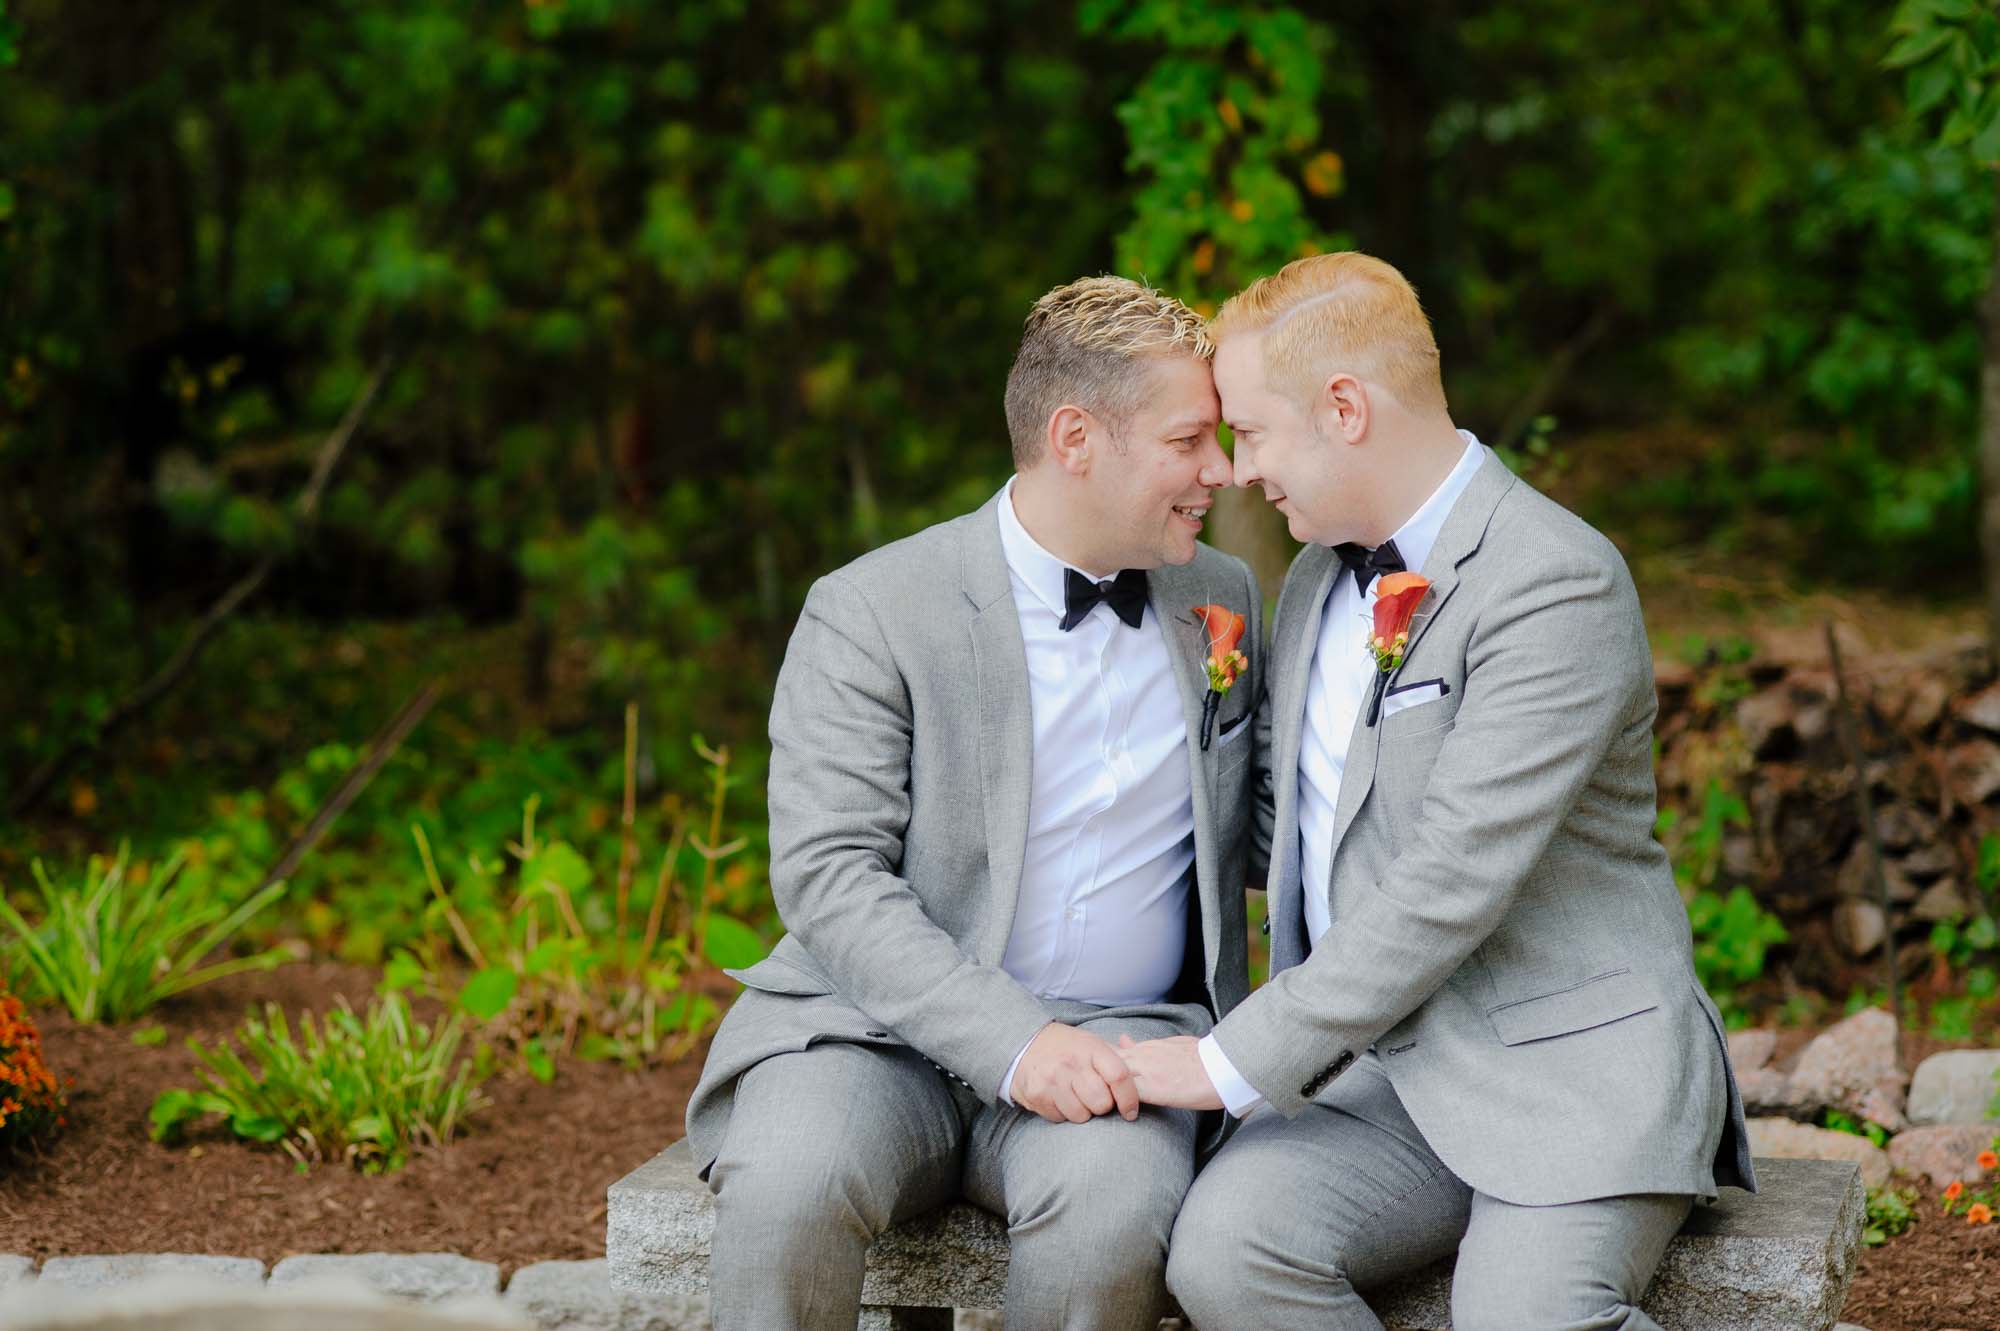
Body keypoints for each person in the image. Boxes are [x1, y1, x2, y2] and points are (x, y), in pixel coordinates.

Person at [1118, 252, 1755, 1331]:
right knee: (1227, 1252)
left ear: (1344, 407)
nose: (1235, 467)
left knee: (1522, 1317)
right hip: (1386, 1076)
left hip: (1564, 1069)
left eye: (1252, 430)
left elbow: (1450, 880)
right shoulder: (1322, 577)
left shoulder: (1554, 579)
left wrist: (1227, 1062)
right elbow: (1288, 820)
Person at [684, 275, 1263, 1331]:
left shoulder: (1219, 596)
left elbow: (1272, 823)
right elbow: (827, 874)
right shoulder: (872, 608)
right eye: (1188, 441)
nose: (1218, 471)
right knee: (786, 1186)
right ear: (1075, 436)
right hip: (868, 1037)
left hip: (1120, 1046)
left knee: (1113, 1216)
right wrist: (1014, 1040)